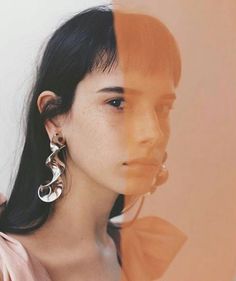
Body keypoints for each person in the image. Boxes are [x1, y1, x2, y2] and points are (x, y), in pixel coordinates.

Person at [0, 5, 187, 281]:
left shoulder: (151, 254)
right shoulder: (8, 265)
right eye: (118, 103)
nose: (154, 132)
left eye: (162, 108)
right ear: (54, 117)